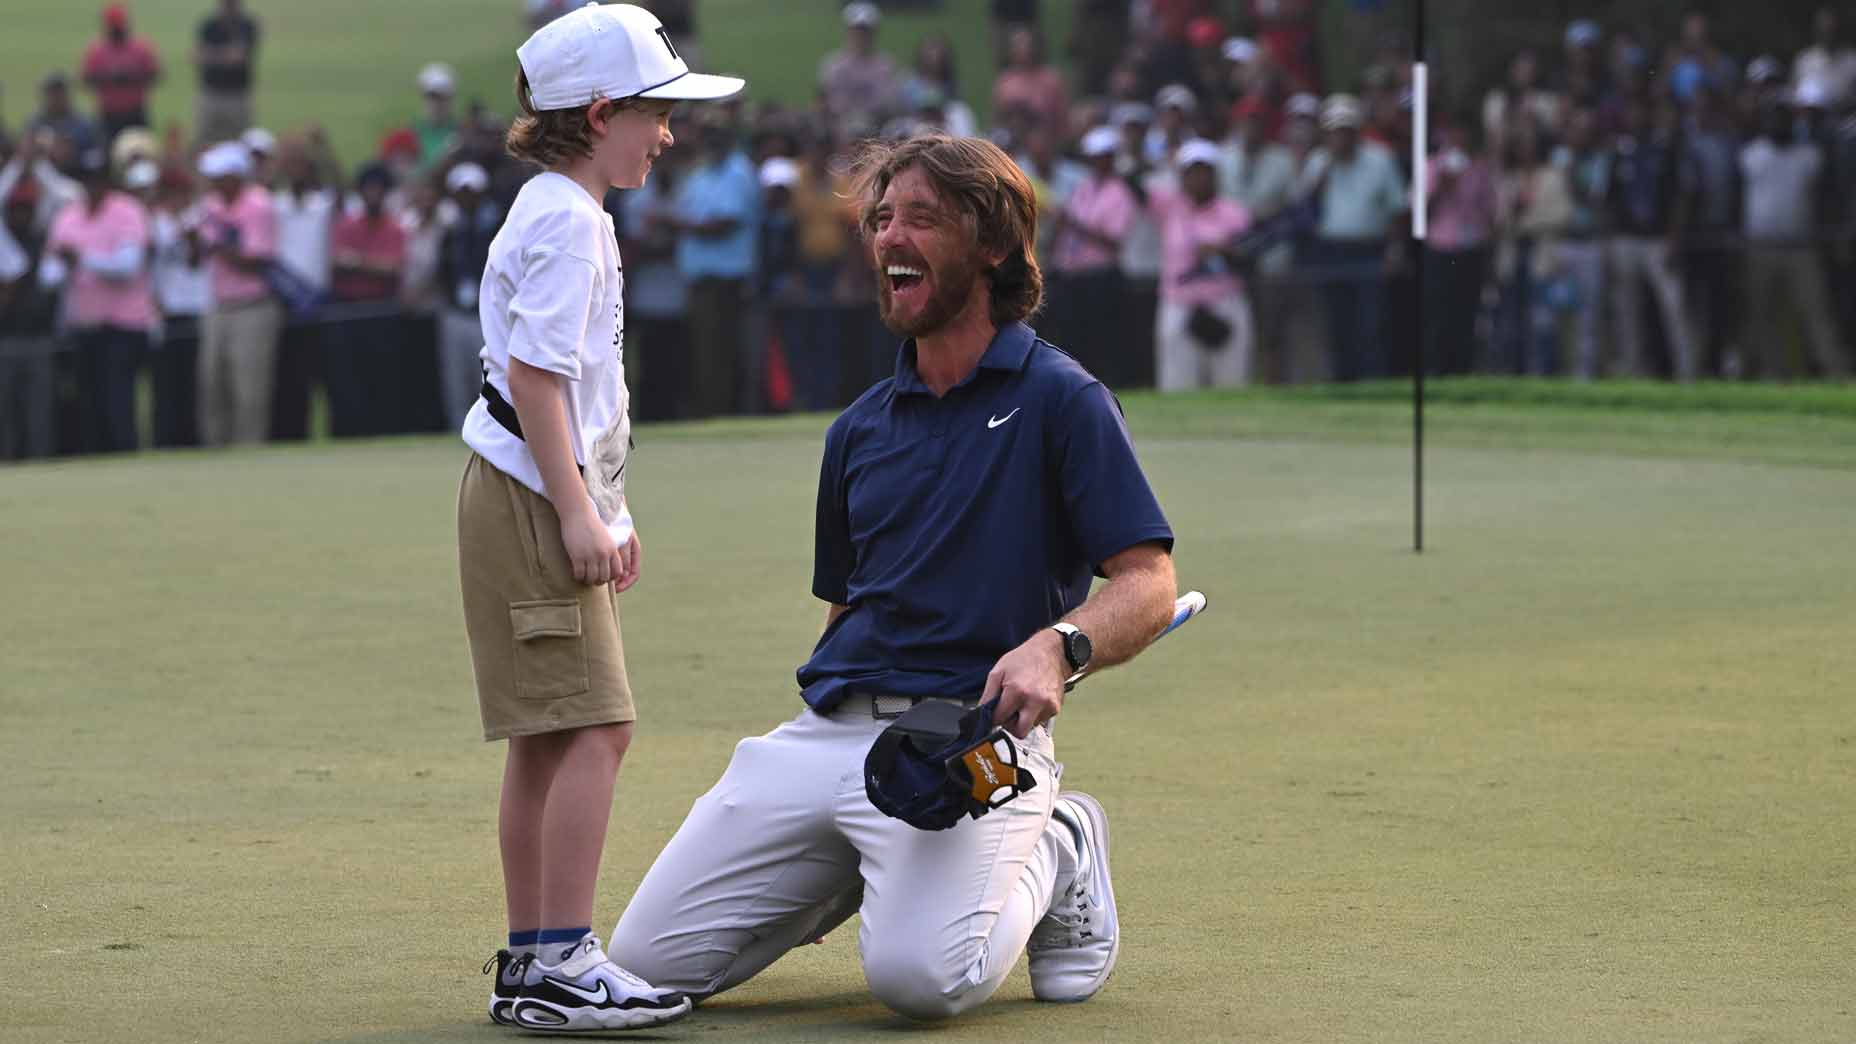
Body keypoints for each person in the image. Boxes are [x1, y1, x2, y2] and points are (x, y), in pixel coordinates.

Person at [607, 132, 1179, 1022]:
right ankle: (856, 856)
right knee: (646, 963)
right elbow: (844, 607)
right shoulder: (857, 431)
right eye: (879, 220)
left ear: (992, 244)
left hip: (978, 747)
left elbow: (1147, 582)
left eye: (920, 217)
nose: (888, 239)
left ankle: (1060, 840)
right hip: (830, 735)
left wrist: (1057, 648)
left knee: (922, 982)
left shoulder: (1064, 399)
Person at [457, 4, 743, 1033]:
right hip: (534, 495)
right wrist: (579, 513)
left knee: (547, 736)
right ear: (598, 110)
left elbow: (564, 389)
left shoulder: (566, 208)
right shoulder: (568, 220)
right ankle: (562, 961)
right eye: (654, 114)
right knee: (597, 728)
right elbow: (536, 382)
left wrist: (606, 507)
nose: (666, 135)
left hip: (537, 490)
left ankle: (536, 965)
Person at [46, 146, 155, 453]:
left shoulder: (129, 211)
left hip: (124, 325)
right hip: (83, 323)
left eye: (98, 179)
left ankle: (126, 460)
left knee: (117, 400)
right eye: (87, 180)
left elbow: (128, 267)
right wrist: (65, 264)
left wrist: (80, 258)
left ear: (108, 181)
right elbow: (50, 274)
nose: (93, 186)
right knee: (87, 403)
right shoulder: (68, 216)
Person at [1739, 98, 1849, 378]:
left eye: (1784, 119)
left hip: (1800, 247)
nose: (1778, 124)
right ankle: (1773, 374)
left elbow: (1824, 199)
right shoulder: (1751, 155)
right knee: (1763, 316)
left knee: (1816, 313)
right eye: (1773, 119)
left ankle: (1836, 373)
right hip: (1760, 247)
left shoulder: (1809, 156)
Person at [1305, 94, 1407, 381]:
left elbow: (1396, 210)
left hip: (1369, 249)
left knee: (1371, 325)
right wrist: (1323, 174)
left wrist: (1394, 250)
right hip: (1331, 251)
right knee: (1337, 325)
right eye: (1336, 131)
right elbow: (1306, 212)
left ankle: (1373, 385)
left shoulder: (1380, 159)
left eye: (1347, 130)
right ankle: (1342, 384)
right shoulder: (1318, 163)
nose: (1342, 137)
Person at [667, 111, 758, 418]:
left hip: (726, 281)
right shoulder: (701, 174)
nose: (711, 140)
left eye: (717, 134)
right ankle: (711, 411)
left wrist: (675, 224)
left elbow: (726, 223)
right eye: (707, 134)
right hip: (700, 280)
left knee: (723, 353)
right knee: (706, 353)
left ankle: (725, 414)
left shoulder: (737, 171)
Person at [191, 140, 279, 445]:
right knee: (211, 383)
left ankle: (249, 450)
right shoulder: (210, 206)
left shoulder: (259, 205)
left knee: (249, 388)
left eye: (218, 176)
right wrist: (193, 241)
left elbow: (257, 261)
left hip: (252, 307)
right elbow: (196, 259)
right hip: (218, 305)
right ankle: (215, 450)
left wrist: (217, 246)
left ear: (235, 176)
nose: (212, 182)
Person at [1145, 139, 1252, 389]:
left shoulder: (1233, 212)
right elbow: (1135, 183)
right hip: (1179, 304)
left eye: (1204, 171)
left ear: (1215, 174)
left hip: (1224, 302)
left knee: (1231, 382)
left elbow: (1249, 258)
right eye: (1191, 172)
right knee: (1178, 385)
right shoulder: (1169, 208)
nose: (1198, 178)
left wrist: (1223, 251)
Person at [1604, 98, 1695, 380]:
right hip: (1625, 240)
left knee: (1674, 307)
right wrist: (1611, 240)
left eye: (1642, 110)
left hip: (1658, 240)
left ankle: (1688, 373)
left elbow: (1681, 196)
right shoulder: (1620, 152)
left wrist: (1673, 236)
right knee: (1627, 312)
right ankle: (1634, 370)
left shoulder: (1665, 149)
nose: (1637, 116)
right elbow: (1609, 199)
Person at [1046, 125, 1138, 385]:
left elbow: (1113, 241)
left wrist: (1074, 224)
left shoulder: (1119, 193)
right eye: (1094, 156)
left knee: (1101, 343)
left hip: (1101, 277)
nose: (1098, 161)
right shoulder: (1084, 188)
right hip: (1073, 275)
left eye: (1104, 156)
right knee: (1075, 342)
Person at [326, 163, 405, 437]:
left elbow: (393, 269)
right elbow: (336, 263)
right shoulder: (347, 225)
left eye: (378, 189)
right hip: (348, 309)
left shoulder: (394, 228)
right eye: (368, 189)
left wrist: (357, 262)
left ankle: (381, 433)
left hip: (381, 310)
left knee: (381, 378)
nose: (373, 194)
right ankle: (349, 434)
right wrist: (373, 265)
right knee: (347, 379)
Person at [267, 136, 335, 440]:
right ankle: (288, 436)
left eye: (301, 168)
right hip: (282, 299)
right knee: (286, 379)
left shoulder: (322, 205)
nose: (295, 174)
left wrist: (322, 152)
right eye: (290, 168)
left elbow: (340, 187)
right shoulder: (274, 205)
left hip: (317, 301)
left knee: (318, 377)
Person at [1423, 119, 1496, 377]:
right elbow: (1418, 213)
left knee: (1466, 314)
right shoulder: (1431, 166)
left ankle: (1462, 370)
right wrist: (1442, 186)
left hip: (1470, 249)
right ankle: (1437, 369)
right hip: (1440, 248)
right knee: (1439, 314)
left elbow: (1489, 212)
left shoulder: (1478, 169)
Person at [436, 161, 502, 430]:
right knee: (456, 381)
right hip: (455, 313)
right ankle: (459, 433)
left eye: (471, 193)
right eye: (461, 193)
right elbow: (442, 271)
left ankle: (492, 435)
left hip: (487, 317)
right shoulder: (451, 231)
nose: (466, 199)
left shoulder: (496, 227)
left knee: (487, 380)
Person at [0, 175, 61, 460]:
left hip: (39, 338)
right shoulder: (3, 243)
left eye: (26, 209)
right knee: (5, 412)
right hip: (6, 339)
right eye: (16, 209)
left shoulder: (43, 242)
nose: (21, 214)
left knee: (39, 410)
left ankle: (41, 461)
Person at [81, 4, 163, 146]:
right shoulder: (97, 51)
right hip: (107, 114)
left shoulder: (141, 48)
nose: (117, 30)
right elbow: (86, 79)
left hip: (136, 113)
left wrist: (130, 77)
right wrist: (109, 78)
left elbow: (156, 75)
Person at [817, 2, 901, 136]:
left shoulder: (885, 65)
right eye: (856, 31)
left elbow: (888, 102)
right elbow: (828, 101)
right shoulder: (833, 65)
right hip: (840, 125)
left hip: (876, 125)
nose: (861, 36)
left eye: (865, 32)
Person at [193, 0, 259, 147]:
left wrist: (210, 55)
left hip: (238, 95)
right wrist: (225, 55)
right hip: (211, 93)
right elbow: (196, 56)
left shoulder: (247, 25)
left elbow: (239, 57)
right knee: (204, 142)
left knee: (242, 142)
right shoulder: (209, 25)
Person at [992, 26, 1070, 141]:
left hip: (1045, 142)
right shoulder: (1005, 80)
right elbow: (998, 119)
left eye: (1024, 45)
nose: (1021, 50)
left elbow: (1062, 120)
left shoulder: (1050, 80)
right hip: (1012, 143)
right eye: (1017, 45)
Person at [26, 73, 103, 163]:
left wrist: (74, 154)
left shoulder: (84, 124)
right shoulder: (35, 123)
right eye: (52, 93)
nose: (56, 98)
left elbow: (96, 156)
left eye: (60, 93)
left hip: (77, 173)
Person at [414, 63, 461, 169]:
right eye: (432, 97)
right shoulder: (413, 133)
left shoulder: (462, 131)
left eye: (442, 98)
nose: (436, 104)